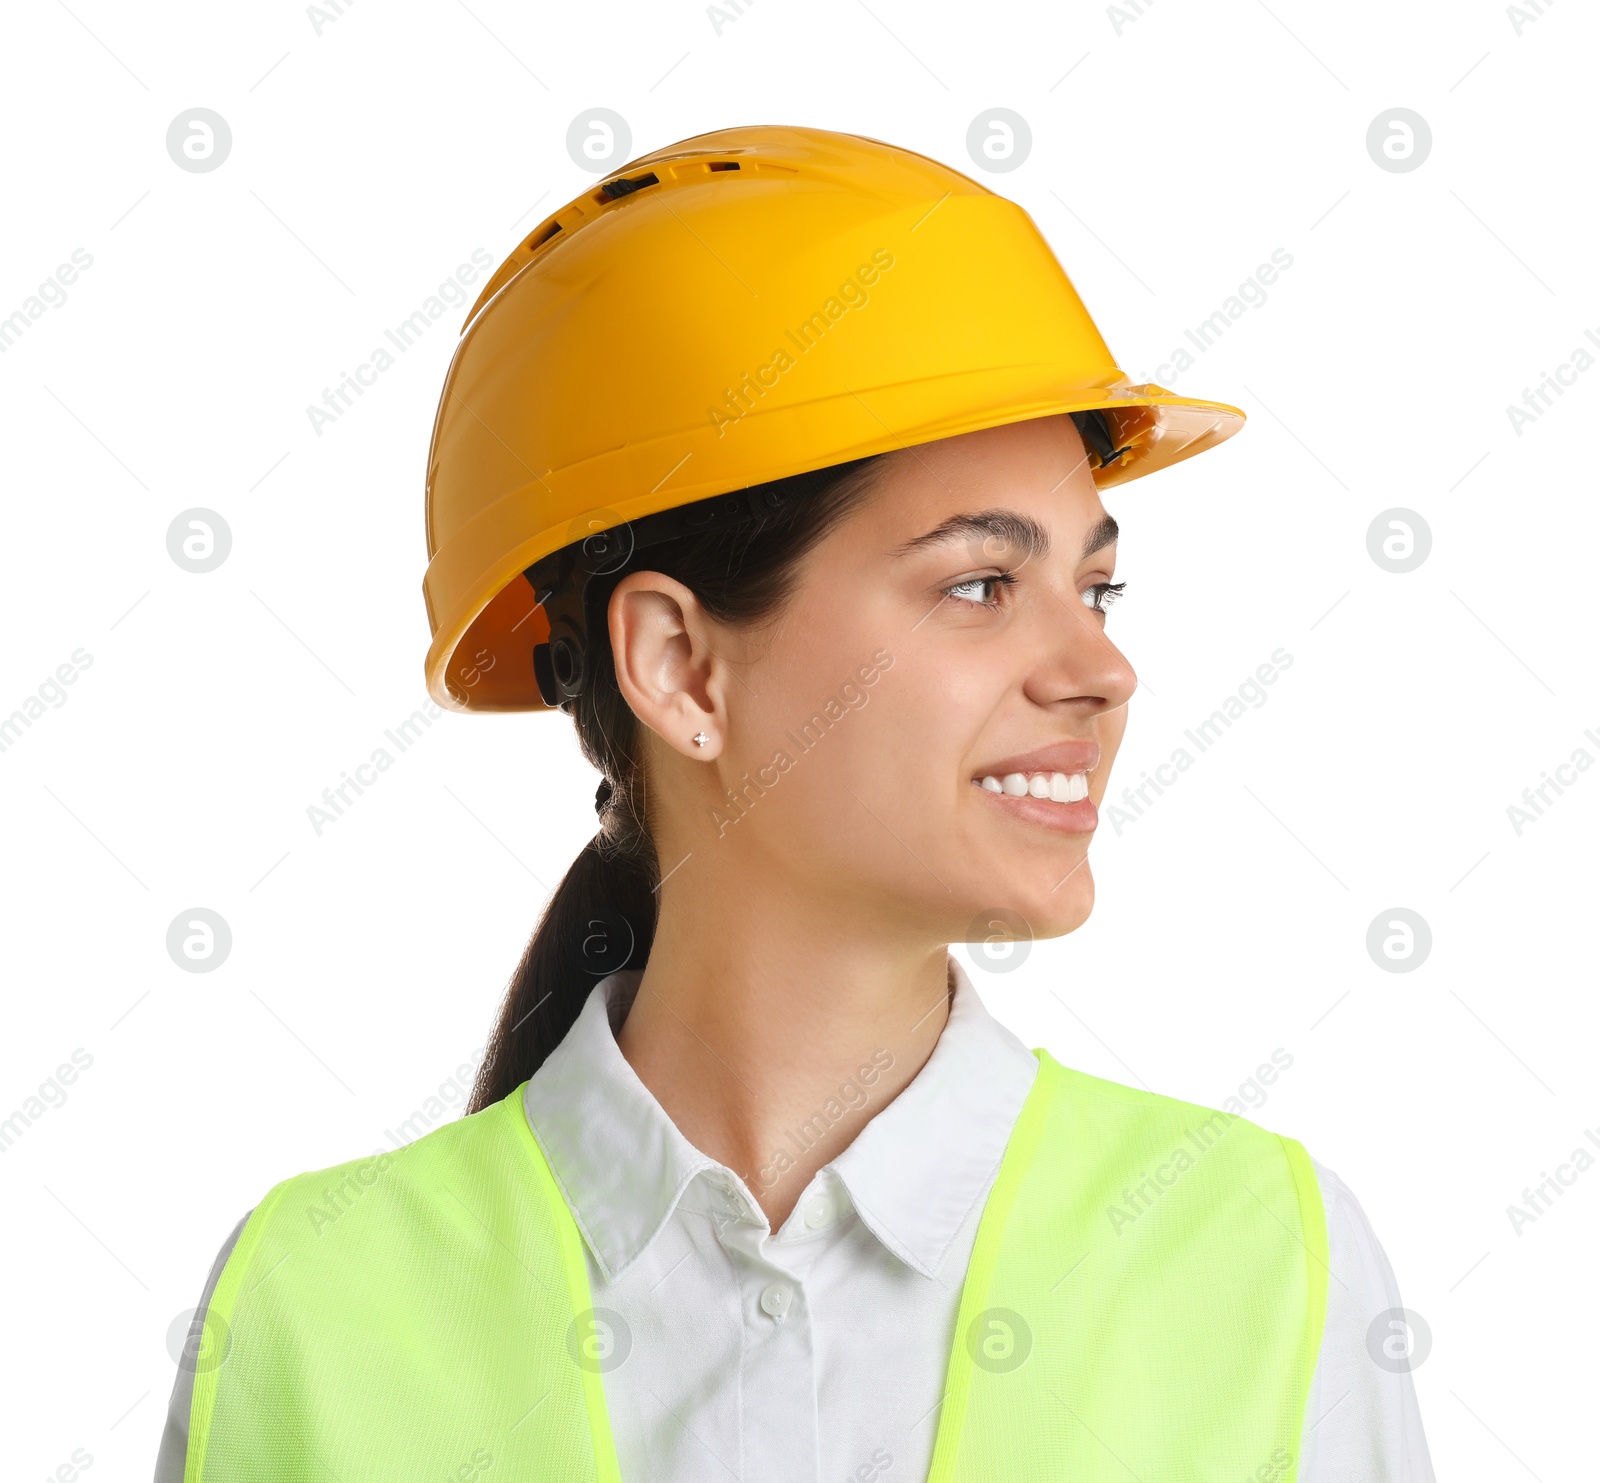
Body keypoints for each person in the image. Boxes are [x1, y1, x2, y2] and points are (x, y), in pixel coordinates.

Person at [156, 125, 1434, 1482]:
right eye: (980, 586)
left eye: (1096, 586)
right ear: (681, 665)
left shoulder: (1262, 1265)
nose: (1101, 671)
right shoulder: (311, 1309)